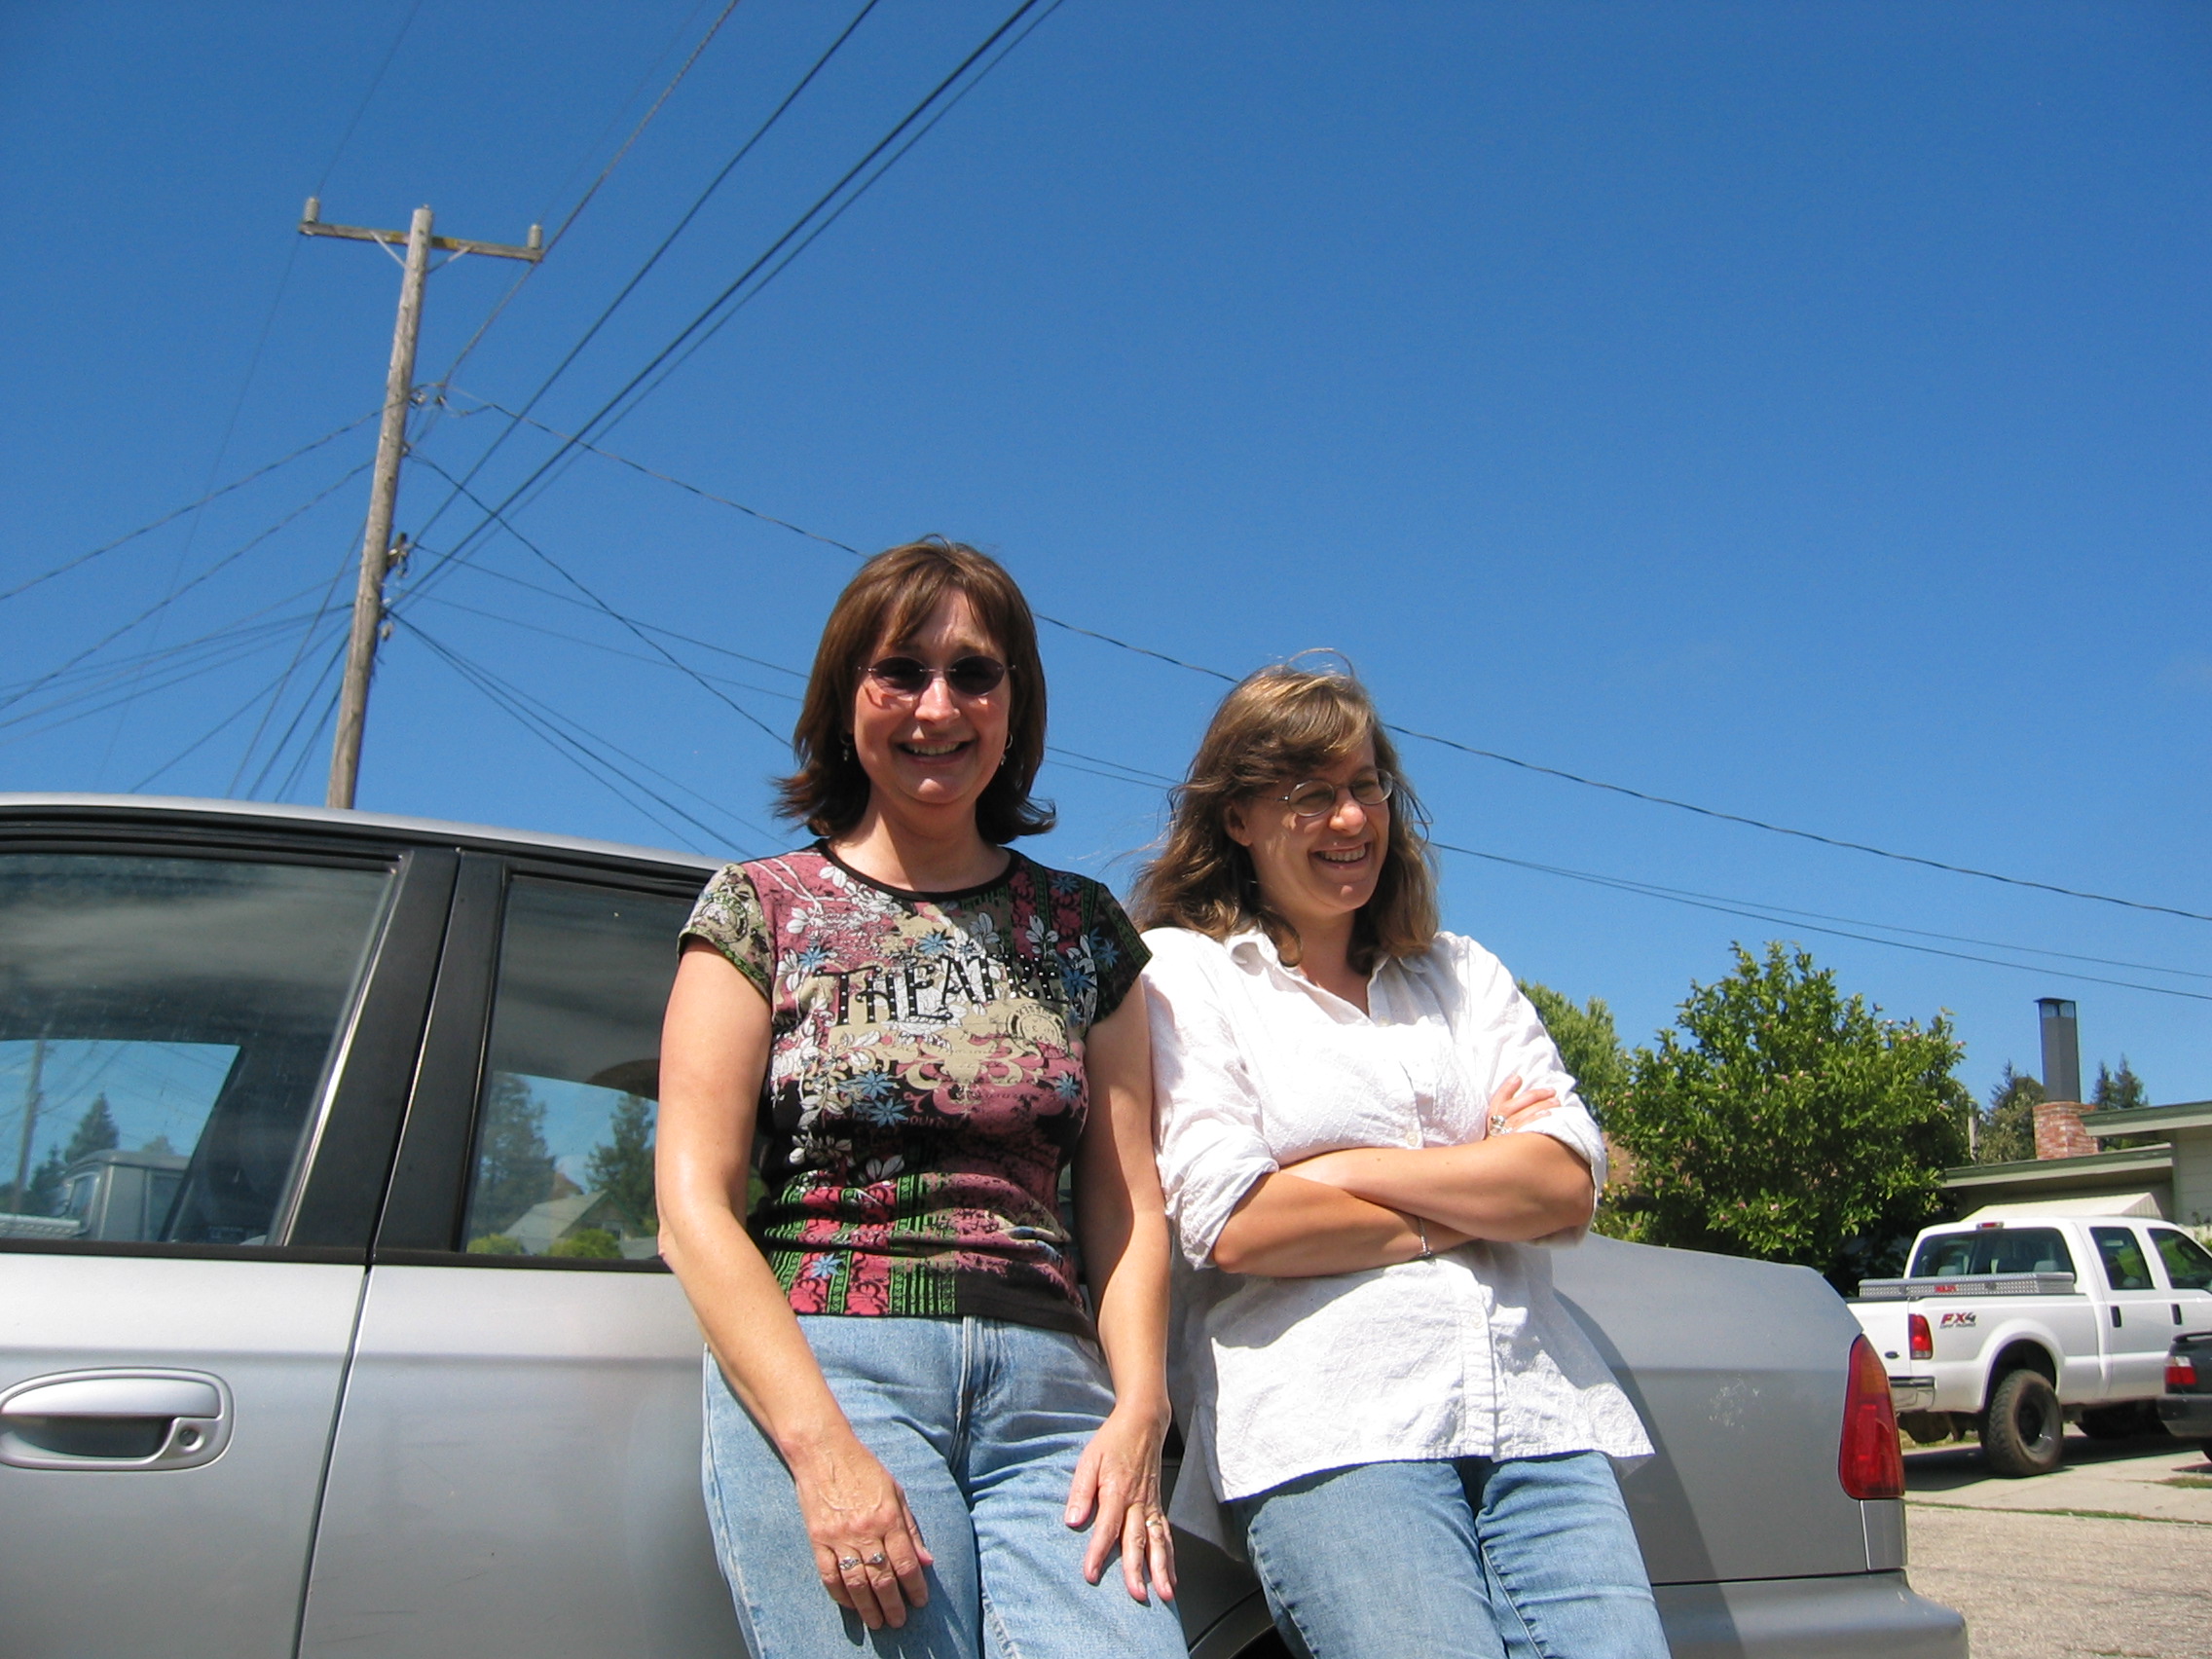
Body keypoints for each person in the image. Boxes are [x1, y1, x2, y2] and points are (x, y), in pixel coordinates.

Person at [656, 538, 1184, 1657]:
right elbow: (691, 1210)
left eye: (973, 674)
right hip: (834, 1369)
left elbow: (1128, 1201)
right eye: (900, 671)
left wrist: (1142, 1406)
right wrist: (822, 1453)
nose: (937, 706)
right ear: (844, 695)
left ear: (1014, 704)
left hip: (1054, 1395)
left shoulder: (1086, 930)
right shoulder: (757, 911)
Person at [1133, 661, 1666, 1659]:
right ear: (1237, 818)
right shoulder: (1187, 974)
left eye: (1365, 785)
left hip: (1536, 1412)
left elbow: (1564, 1182)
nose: (1349, 818)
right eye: (1309, 793)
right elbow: (1236, 1223)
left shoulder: (1461, 974)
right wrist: (1478, 1192)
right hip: (1335, 1424)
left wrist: (1338, 1170)